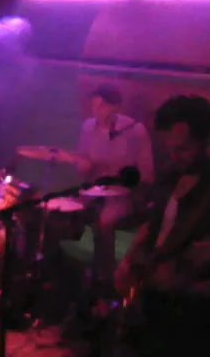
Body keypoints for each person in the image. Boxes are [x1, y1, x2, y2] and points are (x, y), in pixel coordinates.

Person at [115, 95, 210, 357]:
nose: (173, 156)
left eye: (183, 149)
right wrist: (130, 261)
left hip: (202, 331)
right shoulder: (172, 175)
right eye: (168, 148)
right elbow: (156, 225)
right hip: (157, 320)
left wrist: (183, 286)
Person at [76, 83, 155, 294]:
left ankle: (106, 277)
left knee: (105, 220)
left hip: (122, 194)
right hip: (92, 189)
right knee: (62, 209)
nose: (96, 111)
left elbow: (147, 172)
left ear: (116, 107)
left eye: (102, 106)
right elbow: (80, 160)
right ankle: (67, 269)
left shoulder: (135, 131)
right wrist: (83, 167)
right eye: (94, 106)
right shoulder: (88, 127)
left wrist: (126, 181)